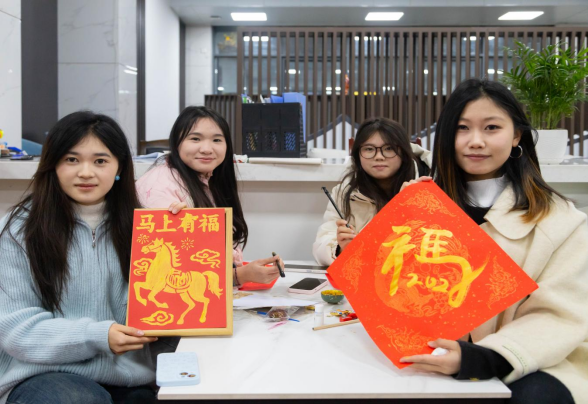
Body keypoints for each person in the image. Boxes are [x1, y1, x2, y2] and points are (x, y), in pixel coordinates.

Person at [400, 79, 588, 404]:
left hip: (532, 360)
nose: (476, 141)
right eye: (462, 128)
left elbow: (560, 315)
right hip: (430, 354)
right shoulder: (425, 205)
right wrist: (402, 220)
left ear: (516, 136)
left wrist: (483, 358)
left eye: (491, 127)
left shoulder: (559, 220)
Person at [0, 112, 159, 404]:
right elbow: (15, 330)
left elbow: (168, 308)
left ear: (120, 167)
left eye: (100, 161)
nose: (86, 173)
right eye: (72, 159)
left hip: (127, 377)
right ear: (53, 165)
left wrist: (181, 231)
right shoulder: (18, 229)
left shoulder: (147, 228)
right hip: (41, 375)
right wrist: (98, 335)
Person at [136, 106, 282, 287]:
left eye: (217, 140)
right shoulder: (159, 187)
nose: (206, 149)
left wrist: (244, 271)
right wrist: (240, 275)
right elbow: (176, 273)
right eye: (195, 139)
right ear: (176, 142)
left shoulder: (206, 178)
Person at [313, 117, 431, 266]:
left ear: (403, 152)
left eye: (389, 149)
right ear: (357, 154)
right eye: (369, 149)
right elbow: (321, 244)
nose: (379, 157)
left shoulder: (428, 185)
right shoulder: (345, 192)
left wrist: (403, 205)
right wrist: (341, 249)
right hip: (367, 274)